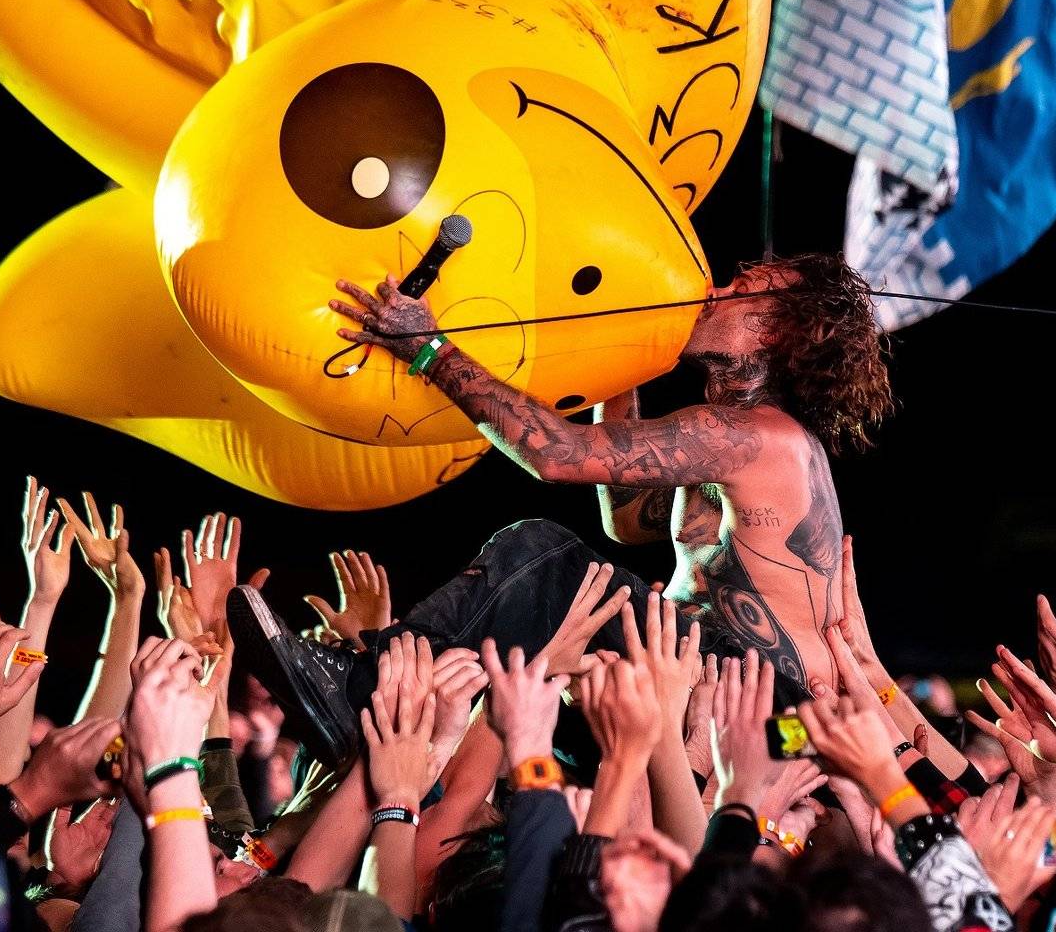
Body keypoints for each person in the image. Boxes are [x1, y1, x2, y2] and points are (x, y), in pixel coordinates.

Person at [228, 253, 892, 766]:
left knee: (541, 556)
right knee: (529, 697)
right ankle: (391, 719)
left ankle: (362, 692)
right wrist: (625, 357)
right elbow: (627, 520)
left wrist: (428, 347)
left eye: (743, 290)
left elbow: (557, 454)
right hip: (724, 688)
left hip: (767, 707)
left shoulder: (757, 435)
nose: (715, 291)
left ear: (782, 330)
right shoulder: (739, 435)